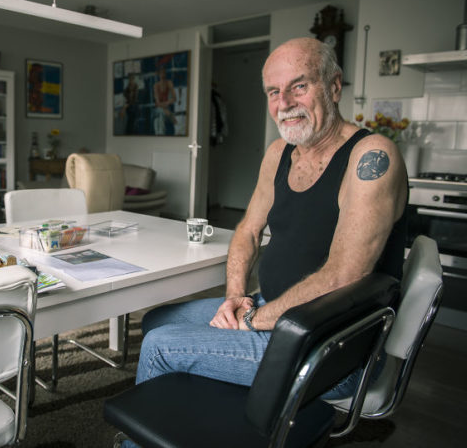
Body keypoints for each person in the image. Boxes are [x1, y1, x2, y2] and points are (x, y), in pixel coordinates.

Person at [135, 37, 408, 394]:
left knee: (161, 346)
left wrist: (252, 321)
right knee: (156, 321)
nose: (285, 104)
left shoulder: (372, 157)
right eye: (273, 92)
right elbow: (248, 230)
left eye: (299, 86)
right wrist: (235, 296)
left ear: (334, 86)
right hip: (274, 309)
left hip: (333, 343)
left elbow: (343, 276)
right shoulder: (280, 152)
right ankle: (214, 408)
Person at [153, 66, 177, 135]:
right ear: (159, 74)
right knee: (160, 112)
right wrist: (165, 109)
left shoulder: (169, 83)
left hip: (166, 109)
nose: (163, 75)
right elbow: (157, 103)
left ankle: (160, 135)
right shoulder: (156, 85)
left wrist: (166, 104)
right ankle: (161, 135)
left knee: (158, 120)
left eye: (164, 73)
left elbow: (174, 98)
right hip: (158, 109)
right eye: (161, 73)